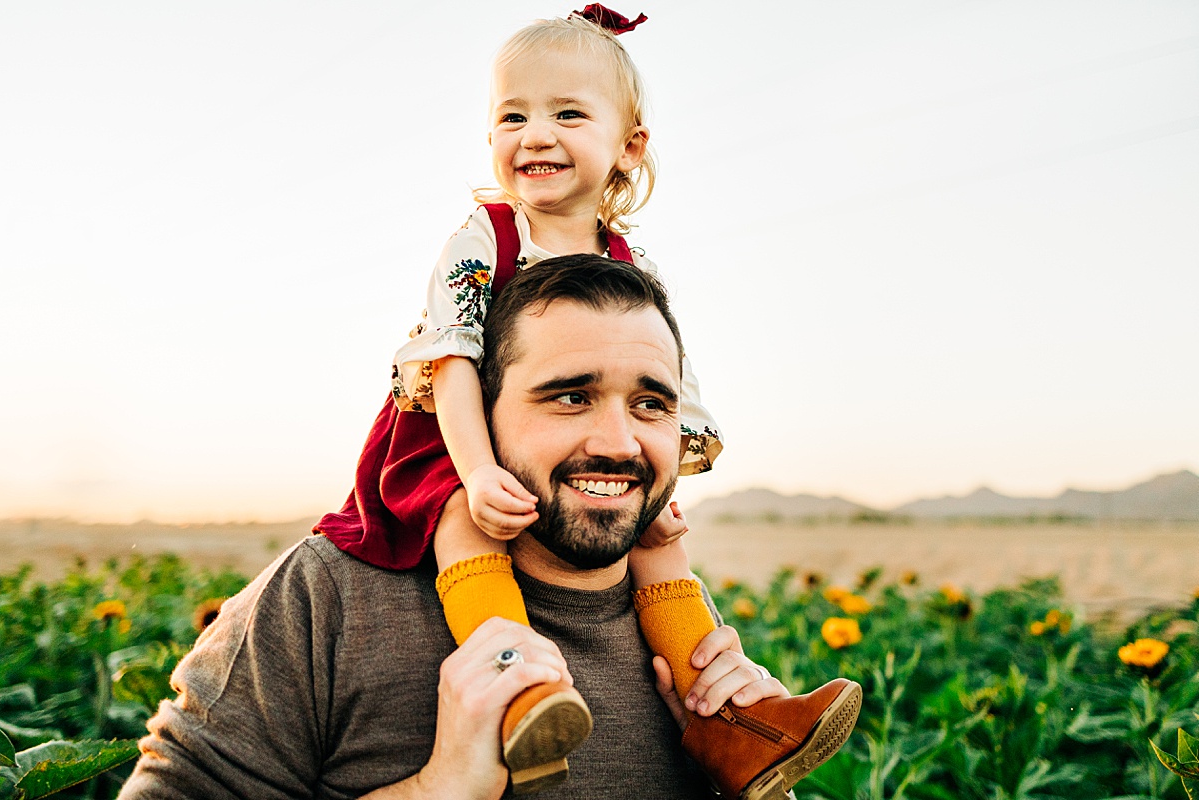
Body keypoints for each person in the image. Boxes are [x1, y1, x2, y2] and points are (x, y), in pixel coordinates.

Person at [311, 6, 860, 796]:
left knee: (662, 541)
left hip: (562, 458)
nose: (535, 135)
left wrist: (655, 483)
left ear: (629, 145)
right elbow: (452, 358)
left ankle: (729, 721)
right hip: (452, 436)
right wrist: (474, 469)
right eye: (512, 116)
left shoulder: (629, 260)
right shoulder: (487, 236)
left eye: (567, 113)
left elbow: (664, 382)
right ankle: (525, 696)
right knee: (465, 523)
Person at [118, 256, 859, 800]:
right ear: (477, 417)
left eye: (651, 404)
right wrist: (438, 789)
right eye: (569, 397)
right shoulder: (328, 598)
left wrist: (747, 780)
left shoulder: (685, 641)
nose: (620, 442)